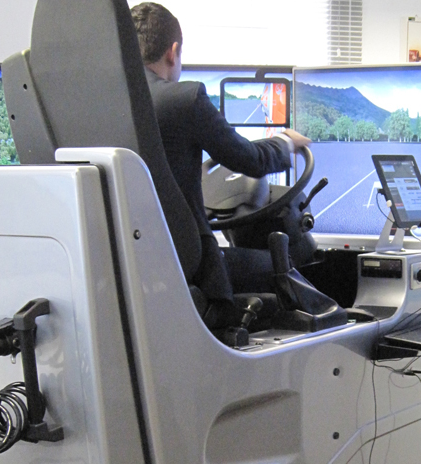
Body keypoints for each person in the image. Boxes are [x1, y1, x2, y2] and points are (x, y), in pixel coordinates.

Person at [130, 2, 310, 315]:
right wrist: (285, 143)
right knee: (287, 263)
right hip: (191, 266)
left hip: (136, 265)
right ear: (173, 52)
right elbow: (250, 160)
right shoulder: (183, 100)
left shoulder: (102, 108)